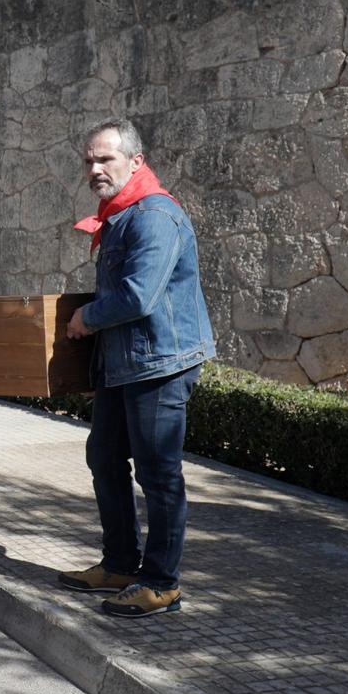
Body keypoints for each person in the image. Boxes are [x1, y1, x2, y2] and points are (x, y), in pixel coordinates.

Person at [61, 118, 215, 619]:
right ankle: (121, 565)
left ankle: (161, 582)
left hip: (160, 365)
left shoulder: (154, 216)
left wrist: (86, 318)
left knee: (159, 475)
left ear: (136, 161)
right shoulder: (123, 215)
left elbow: (136, 296)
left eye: (105, 159)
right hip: (124, 366)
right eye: (89, 161)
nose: (95, 169)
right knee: (103, 459)